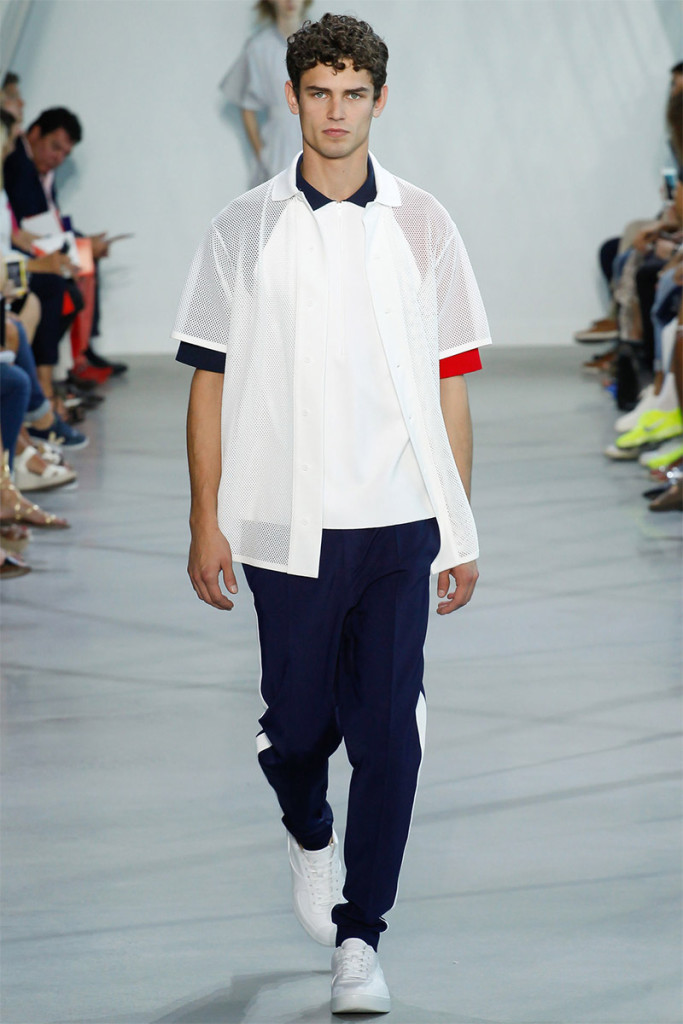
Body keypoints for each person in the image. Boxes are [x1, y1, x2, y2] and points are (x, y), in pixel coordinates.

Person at [174, 13, 491, 1015]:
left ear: (378, 101)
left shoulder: (424, 224)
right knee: (297, 728)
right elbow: (208, 384)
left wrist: (456, 524)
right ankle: (308, 827)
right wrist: (205, 519)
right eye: (319, 92)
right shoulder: (243, 229)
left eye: (354, 94)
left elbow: (449, 385)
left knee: (388, 738)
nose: (337, 111)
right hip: (283, 519)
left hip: (398, 518)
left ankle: (361, 937)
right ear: (293, 98)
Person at [219, 0, 313, 186]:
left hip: (316, 136)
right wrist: (261, 154)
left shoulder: (320, 45)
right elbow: (247, 105)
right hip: (278, 145)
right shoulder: (259, 47)